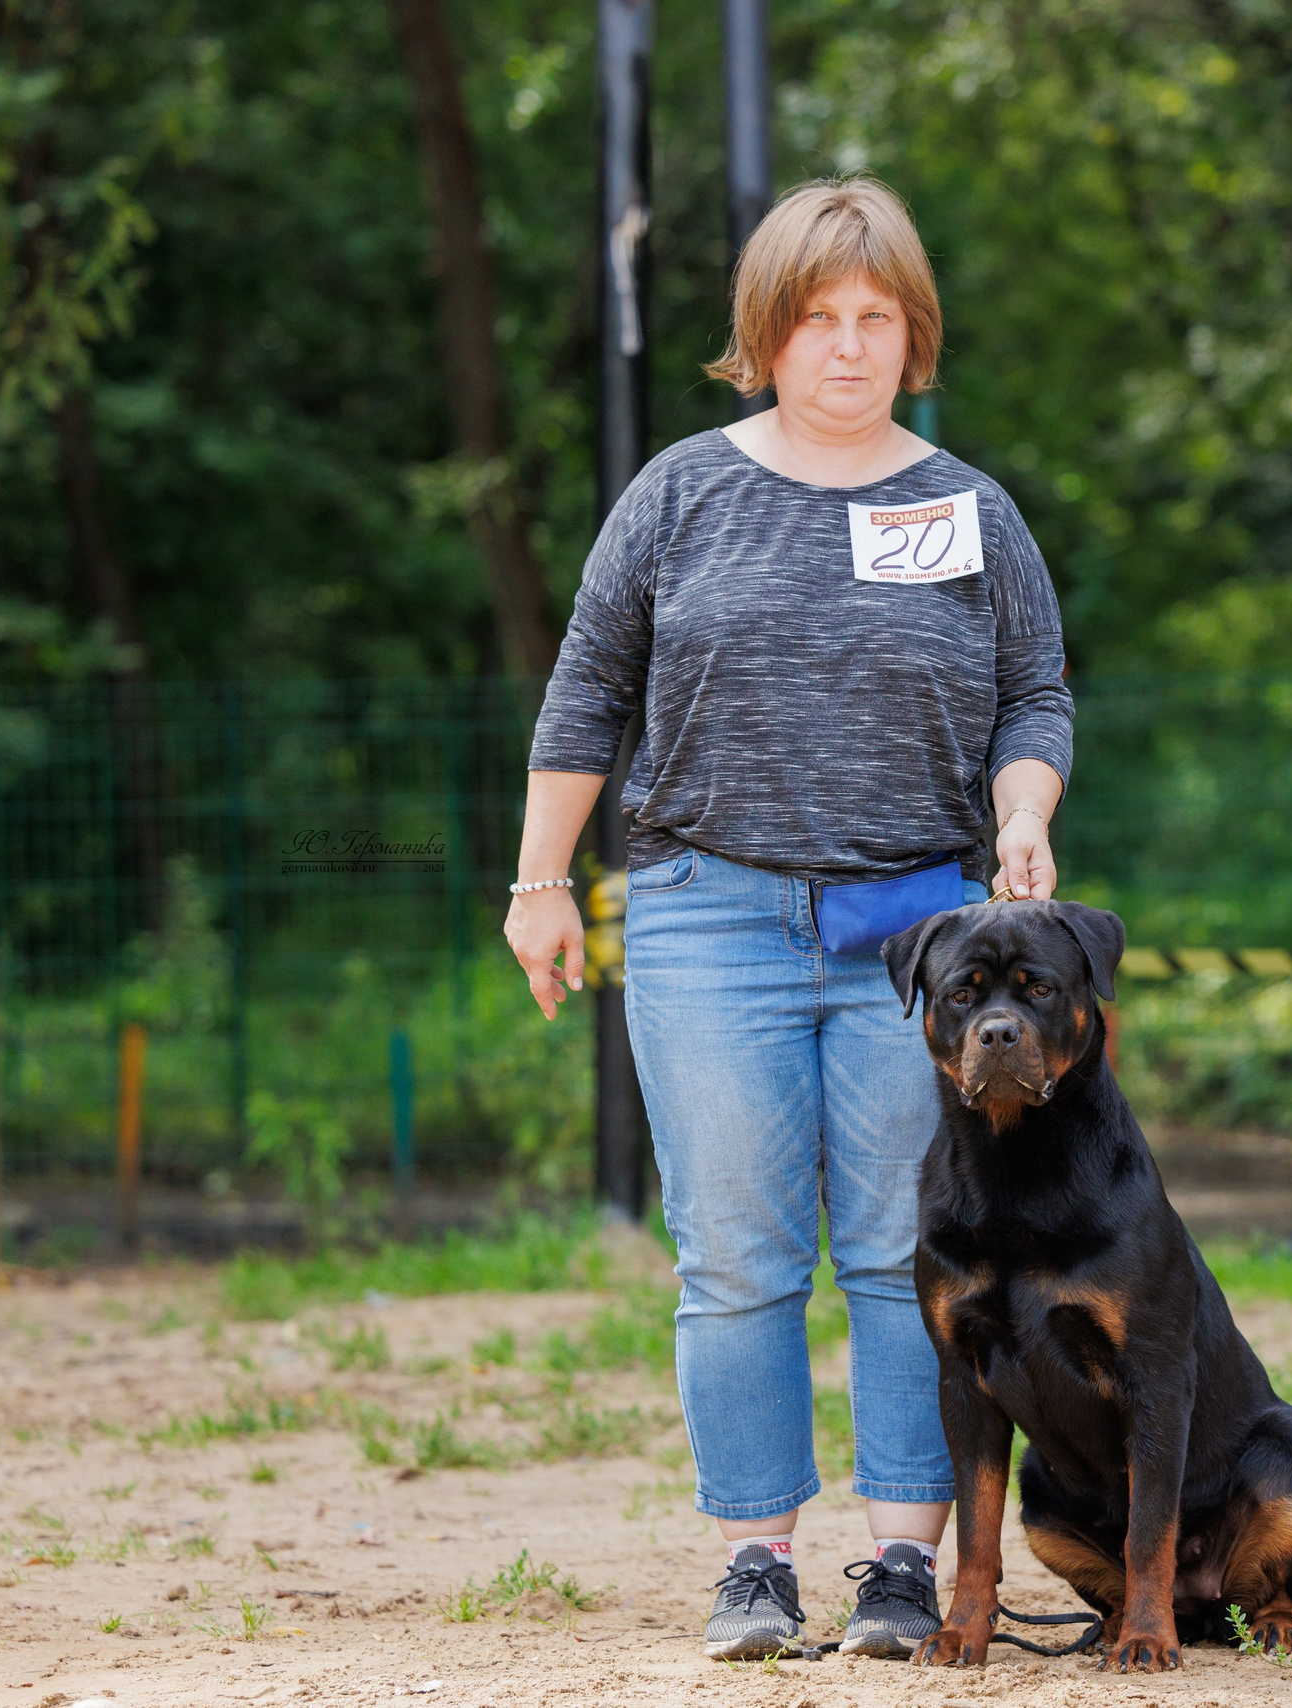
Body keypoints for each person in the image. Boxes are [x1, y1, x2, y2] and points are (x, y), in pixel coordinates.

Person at [505, 177, 1074, 1661]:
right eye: (818, 319)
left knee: (906, 1249)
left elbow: (1035, 693)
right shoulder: (680, 493)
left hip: (921, 945)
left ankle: (902, 1562)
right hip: (708, 919)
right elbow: (585, 693)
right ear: (766, 334)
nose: (847, 347)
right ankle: (755, 1557)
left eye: (877, 318)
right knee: (738, 1254)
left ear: (915, 334)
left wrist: (1024, 812)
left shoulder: (965, 508)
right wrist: (541, 879)